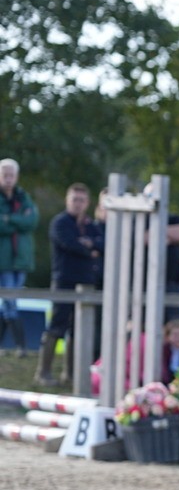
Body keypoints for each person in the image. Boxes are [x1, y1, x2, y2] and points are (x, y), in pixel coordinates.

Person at [39, 183, 103, 386]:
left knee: (79, 329)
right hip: (64, 281)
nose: (78, 204)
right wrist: (89, 247)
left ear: (87, 203)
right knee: (57, 326)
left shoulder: (91, 225)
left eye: (81, 200)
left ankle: (71, 374)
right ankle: (43, 373)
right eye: (74, 199)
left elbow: (103, 243)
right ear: (68, 200)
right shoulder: (60, 222)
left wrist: (88, 244)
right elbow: (69, 244)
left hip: (86, 283)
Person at [0, 159, 38, 356]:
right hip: (3, 260)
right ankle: (21, 345)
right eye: (4, 175)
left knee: (10, 301)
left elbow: (31, 221)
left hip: (21, 259)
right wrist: (18, 220)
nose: (8, 179)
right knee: (10, 301)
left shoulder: (24, 197)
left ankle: (6, 346)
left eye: (11, 175)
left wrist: (9, 219)